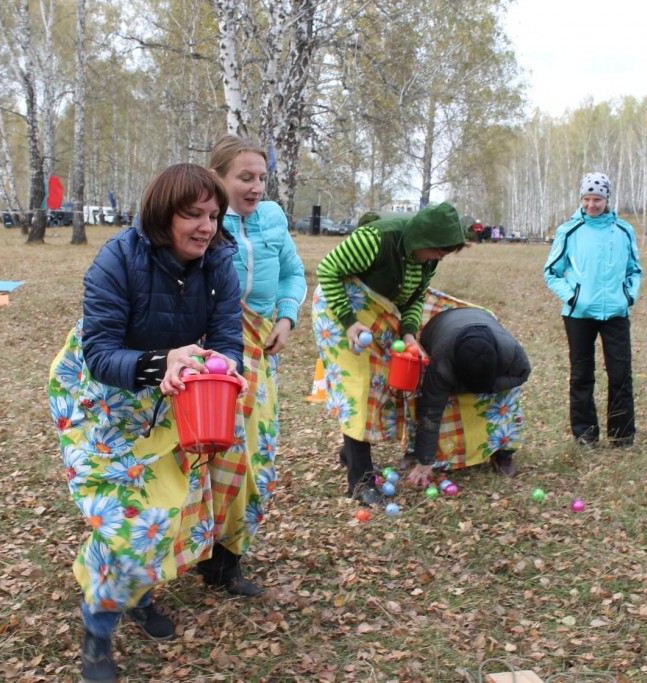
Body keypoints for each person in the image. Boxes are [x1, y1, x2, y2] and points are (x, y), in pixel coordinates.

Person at [47, 163, 245, 683]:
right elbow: (100, 355)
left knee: (166, 509)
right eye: (193, 215)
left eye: (214, 216)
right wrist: (163, 362)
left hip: (171, 395)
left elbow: (228, 338)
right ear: (163, 214)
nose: (206, 227)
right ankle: (98, 632)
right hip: (101, 401)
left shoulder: (220, 262)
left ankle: (137, 596)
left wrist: (226, 369)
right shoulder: (118, 258)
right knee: (125, 523)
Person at [205, 134, 307, 596]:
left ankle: (228, 560)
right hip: (213, 351)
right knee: (213, 451)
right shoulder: (204, 219)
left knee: (254, 453)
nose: (257, 187)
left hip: (260, 352)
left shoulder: (272, 217)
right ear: (218, 178)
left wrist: (286, 316)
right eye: (245, 177)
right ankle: (195, 549)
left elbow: (293, 272)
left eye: (262, 178)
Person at [312, 203, 466, 505]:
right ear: (423, 239)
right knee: (358, 389)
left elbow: (416, 297)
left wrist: (408, 333)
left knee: (380, 385)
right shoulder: (376, 239)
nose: (438, 258)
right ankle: (360, 481)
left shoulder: (426, 260)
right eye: (437, 251)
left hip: (376, 315)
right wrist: (348, 321)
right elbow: (327, 270)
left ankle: (350, 452)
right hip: (338, 313)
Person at [543, 172, 642, 447]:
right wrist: (574, 298)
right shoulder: (569, 230)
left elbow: (634, 270)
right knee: (582, 374)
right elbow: (551, 272)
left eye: (597, 199)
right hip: (579, 315)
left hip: (616, 314)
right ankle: (585, 435)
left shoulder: (623, 231)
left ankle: (622, 435)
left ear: (607, 199)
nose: (591, 204)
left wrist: (628, 297)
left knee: (621, 374)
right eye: (586, 199)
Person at [403, 304, 532, 483]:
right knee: (424, 393)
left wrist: (489, 387)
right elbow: (430, 413)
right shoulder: (441, 365)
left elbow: (523, 373)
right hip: (438, 327)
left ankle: (503, 452)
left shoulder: (510, 351)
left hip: (480, 319)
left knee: (508, 397)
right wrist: (425, 460)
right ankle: (414, 451)